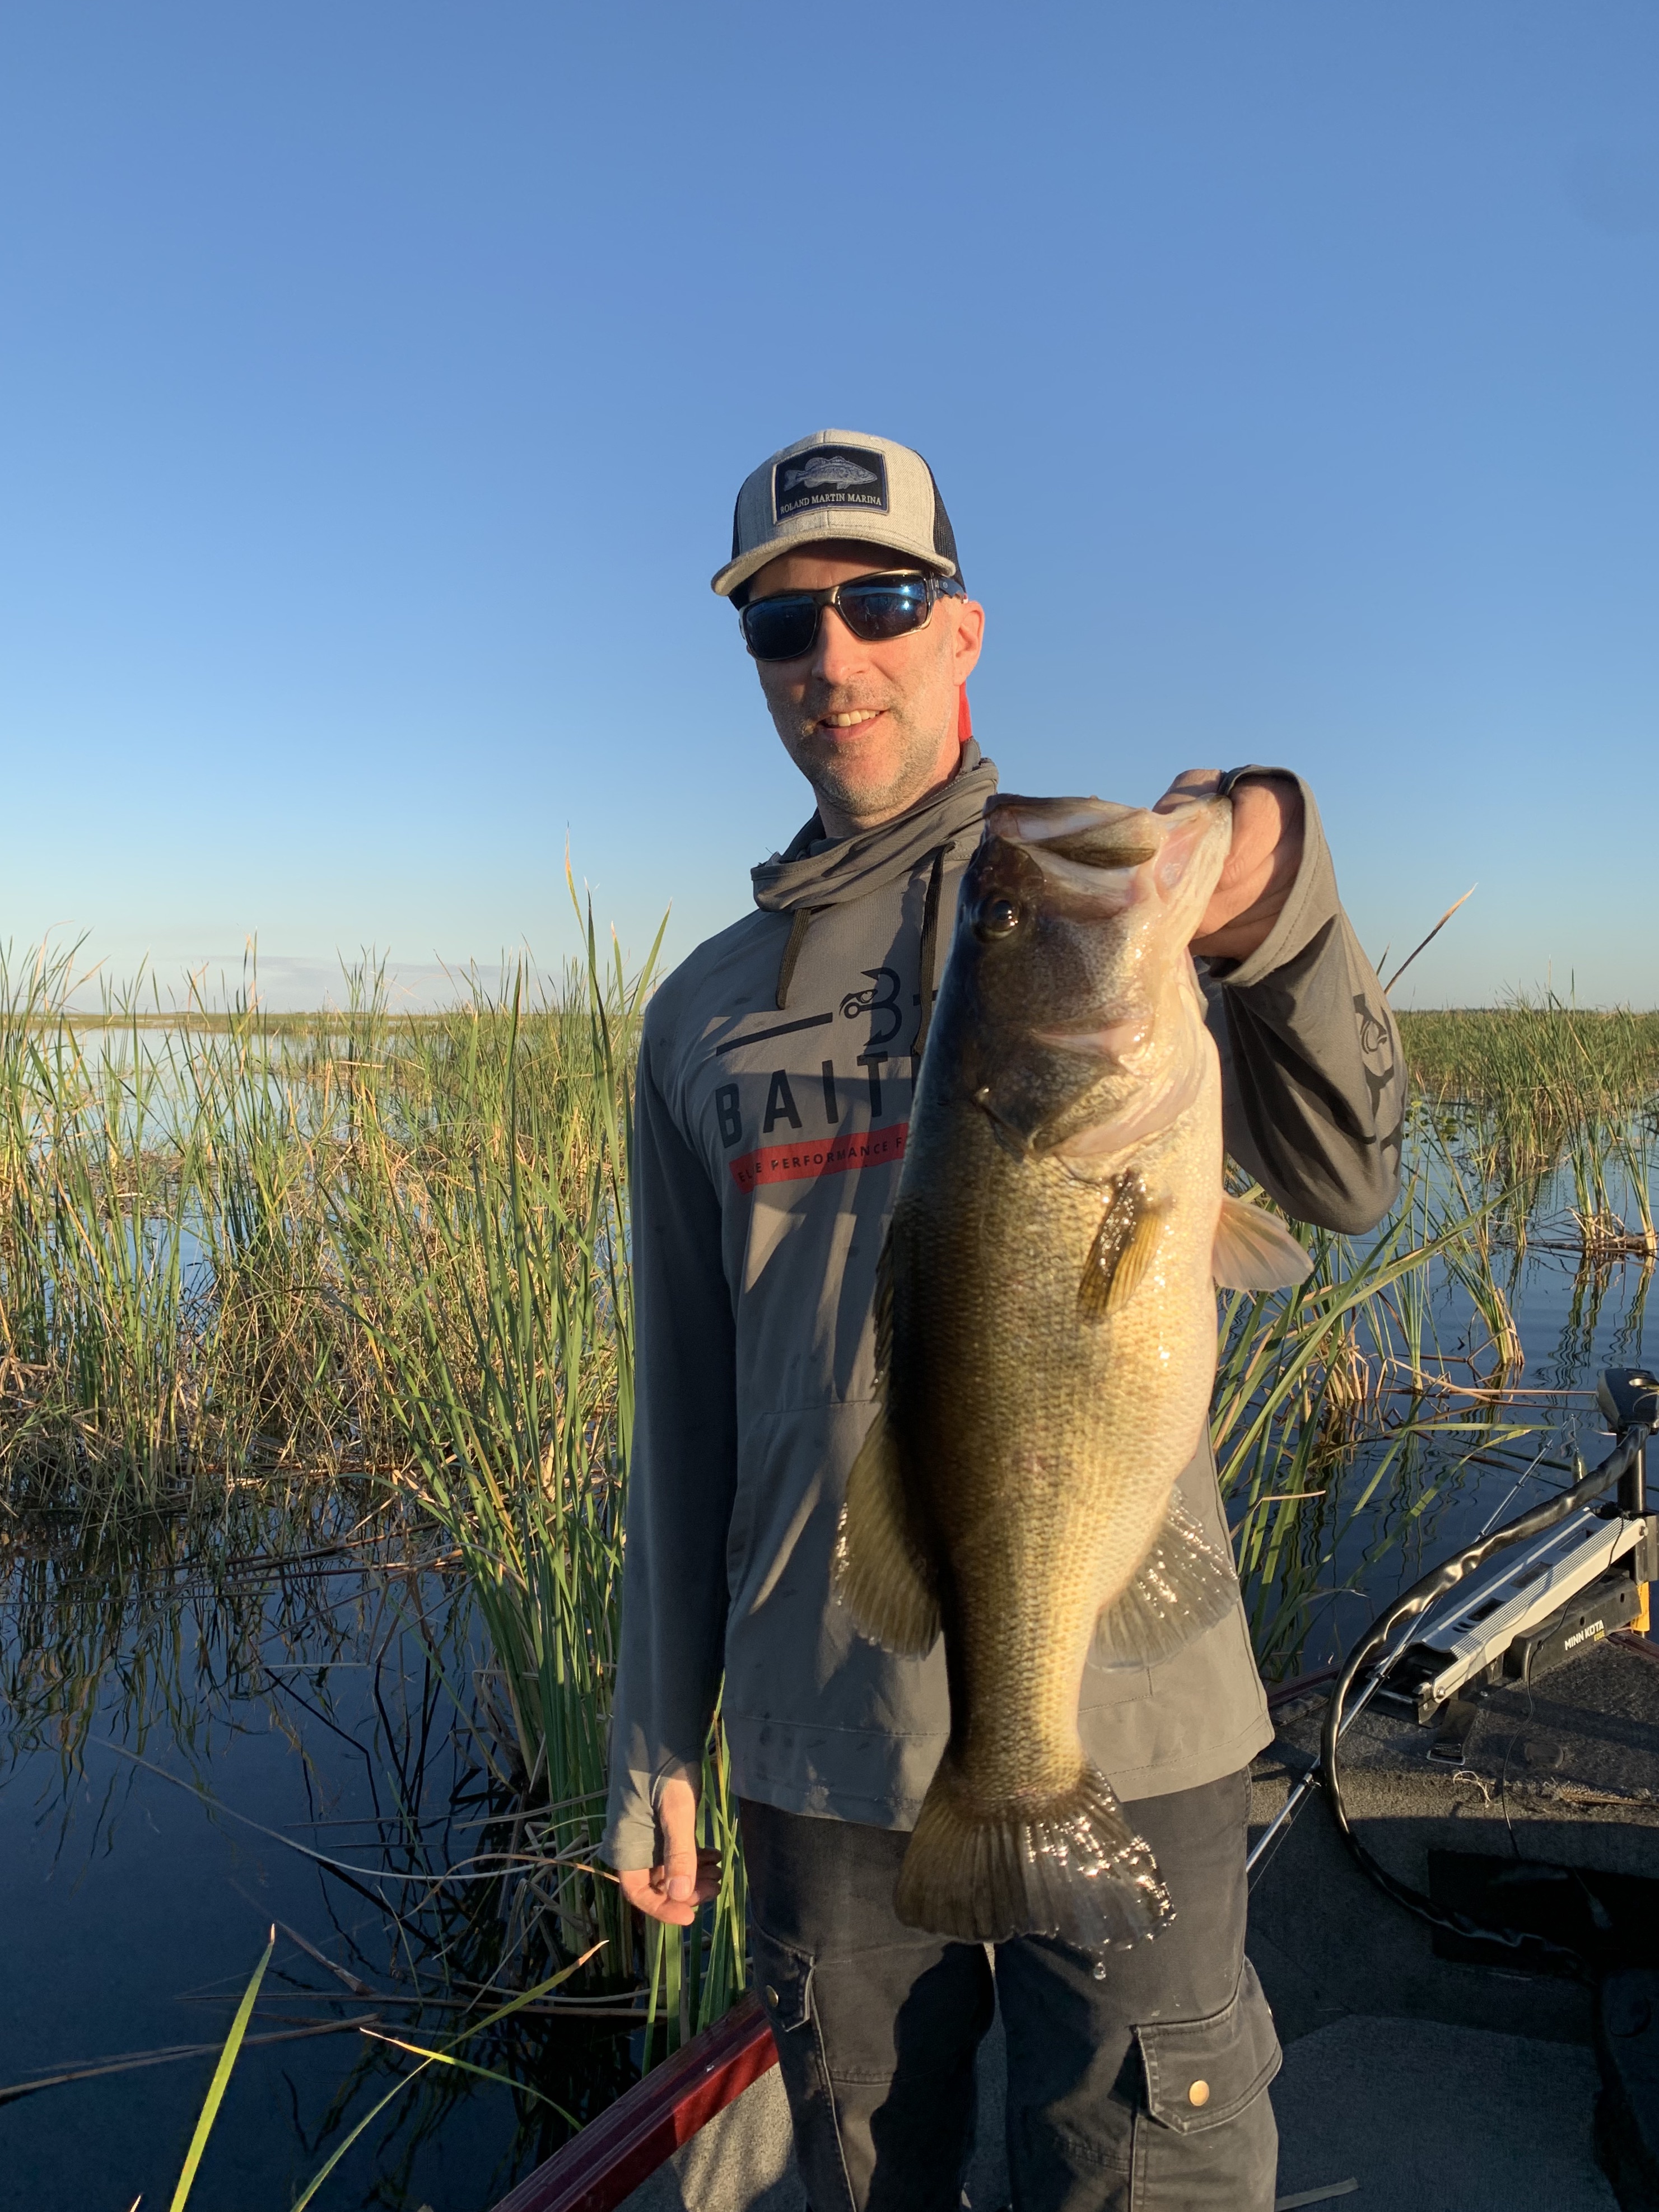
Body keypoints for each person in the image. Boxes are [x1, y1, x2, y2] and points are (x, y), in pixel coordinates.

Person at [602, 428, 1405, 2212]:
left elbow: (1346, 1181)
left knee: (1143, 2163)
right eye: (781, 624)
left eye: (881, 603)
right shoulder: (699, 1017)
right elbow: (684, 1402)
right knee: (866, 2167)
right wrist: (657, 1730)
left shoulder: (1107, 913)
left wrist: (1274, 895)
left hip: (1134, 1714)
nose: (833, 657)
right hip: (819, 1734)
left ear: (961, 629)